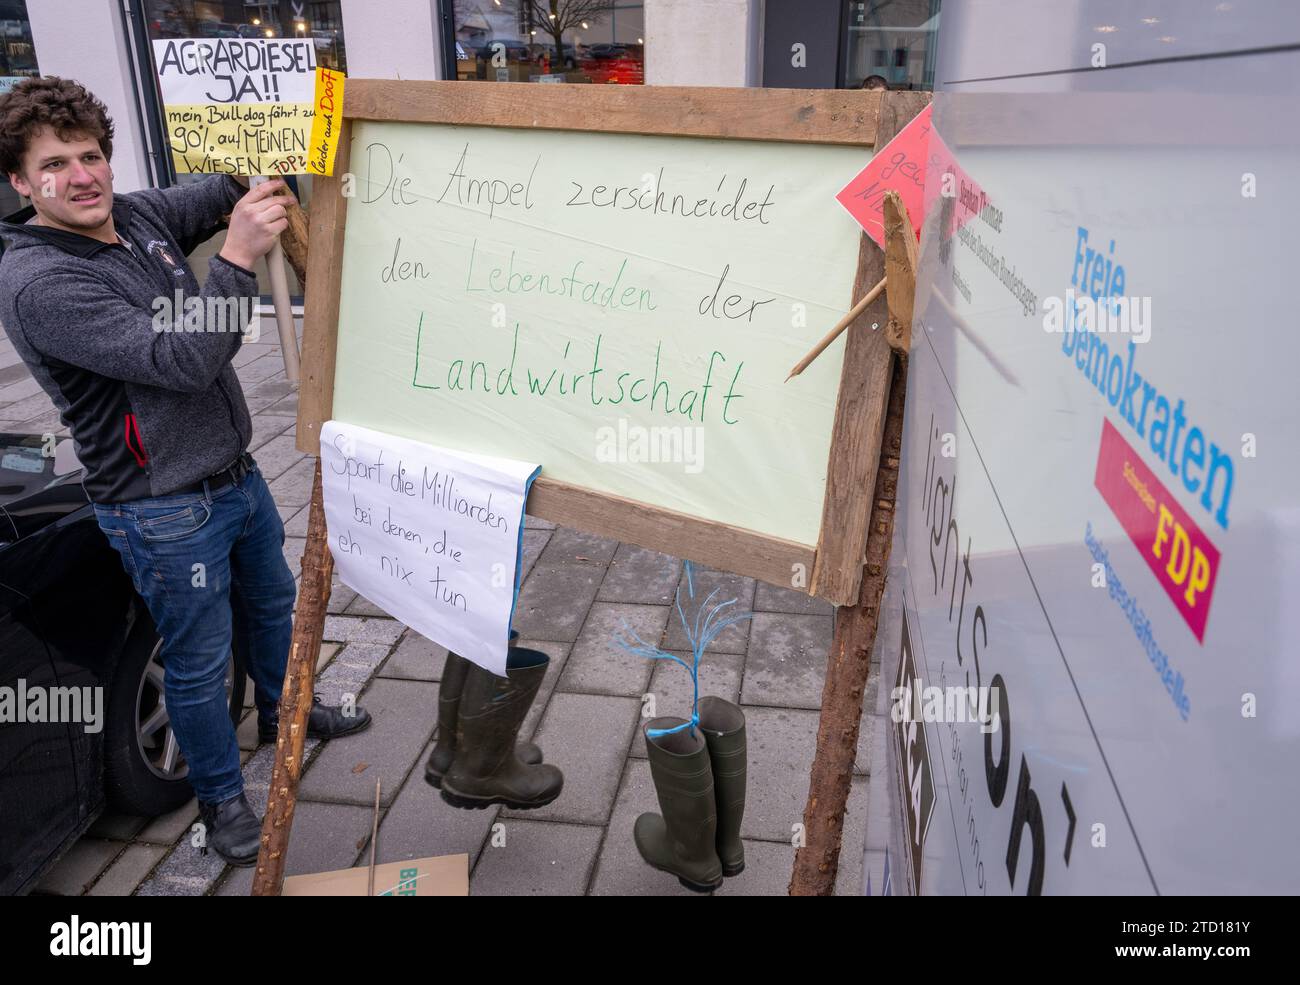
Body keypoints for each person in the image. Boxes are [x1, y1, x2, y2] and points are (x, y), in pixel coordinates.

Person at [0, 77, 370, 867]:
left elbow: (208, 192)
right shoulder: (41, 285)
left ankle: (285, 715)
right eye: (56, 164)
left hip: (232, 473)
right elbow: (185, 357)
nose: (83, 175)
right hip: (161, 506)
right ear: (22, 182)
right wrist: (236, 255)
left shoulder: (128, 216)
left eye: (92, 155)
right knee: (199, 661)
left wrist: (264, 155)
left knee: (273, 608)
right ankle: (222, 800)